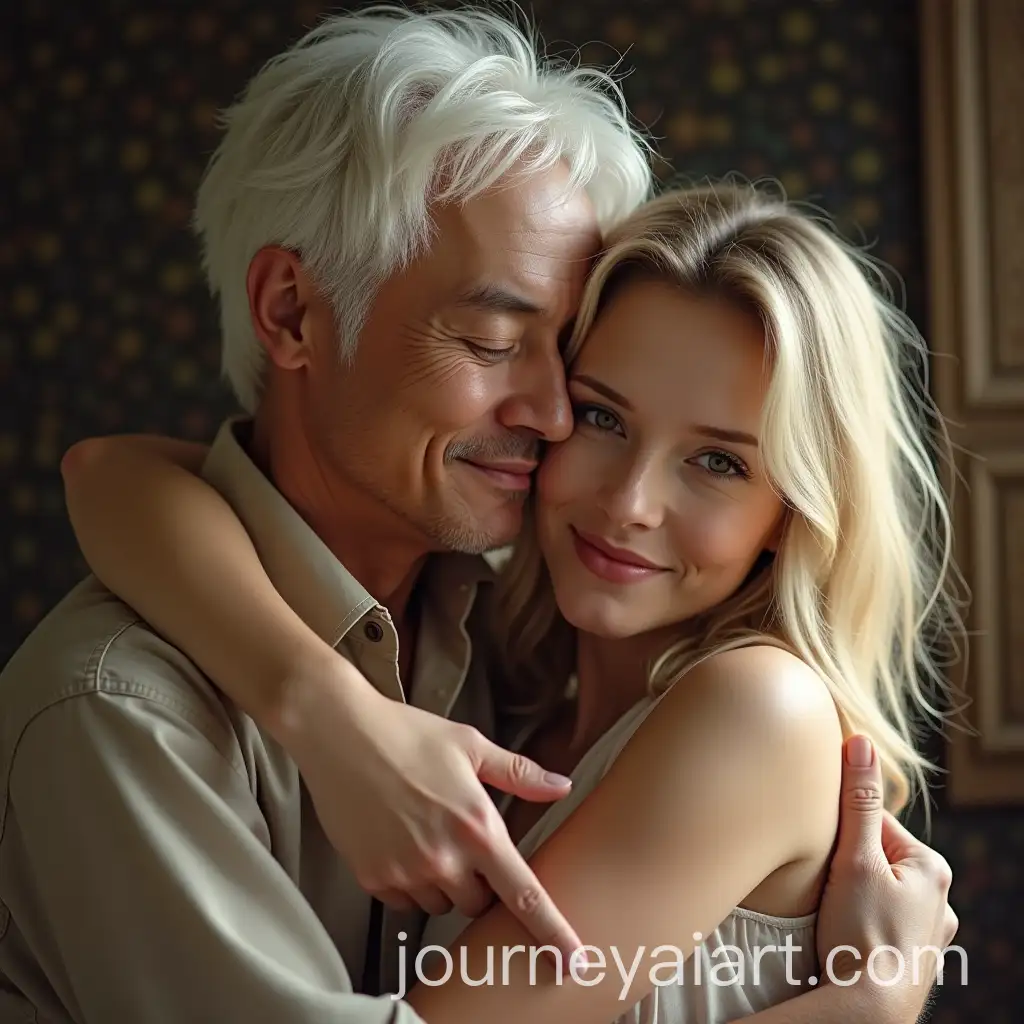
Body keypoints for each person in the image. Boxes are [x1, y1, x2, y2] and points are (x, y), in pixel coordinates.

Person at [0, 5, 955, 1022]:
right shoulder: (130, 709)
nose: (548, 418)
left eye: (719, 460)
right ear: (290, 312)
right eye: (498, 343)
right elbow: (111, 472)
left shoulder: (486, 638)